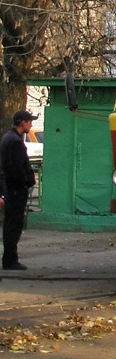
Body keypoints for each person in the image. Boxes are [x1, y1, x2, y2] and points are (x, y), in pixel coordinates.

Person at [1, 110, 38, 270]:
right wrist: (27, 180)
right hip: (16, 190)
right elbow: (16, 168)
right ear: (22, 122)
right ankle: (10, 259)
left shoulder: (8, 138)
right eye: (29, 121)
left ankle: (9, 258)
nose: (31, 124)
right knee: (14, 225)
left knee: (11, 224)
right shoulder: (15, 141)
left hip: (11, 189)